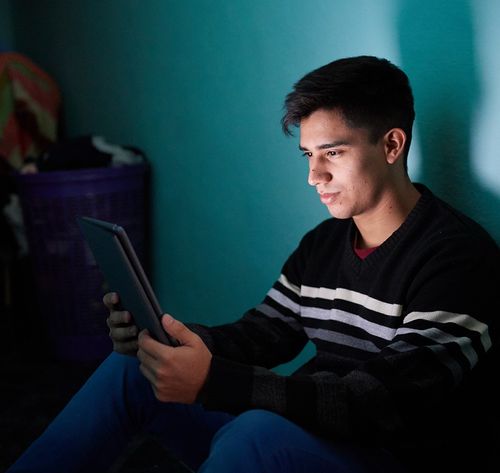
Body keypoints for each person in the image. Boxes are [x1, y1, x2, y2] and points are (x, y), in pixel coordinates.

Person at [8, 55, 499, 473]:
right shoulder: (323, 245)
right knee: (132, 370)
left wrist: (214, 380)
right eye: (307, 154)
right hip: (310, 434)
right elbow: (261, 335)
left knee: (256, 433)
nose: (314, 176)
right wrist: (172, 340)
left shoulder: (459, 258)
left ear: (392, 145)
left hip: (393, 455)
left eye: (333, 153)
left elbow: (377, 404)